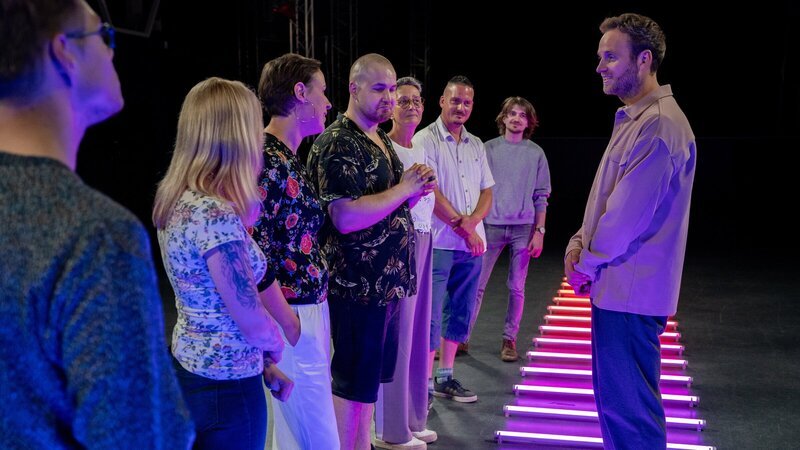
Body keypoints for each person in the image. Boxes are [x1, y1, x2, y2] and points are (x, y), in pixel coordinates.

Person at [0, 1, 194, 448]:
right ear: (65, 53)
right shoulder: (95, 236)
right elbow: (136, 437)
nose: (113, 50)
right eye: (103, 35)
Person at [564, 13, 696, 449]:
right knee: (621, 413)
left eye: (610, 57)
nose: (600, 66)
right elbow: (606, 200)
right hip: (620, 291)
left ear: (643, 60)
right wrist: (578, 242)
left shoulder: (659, 124)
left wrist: (583, 263)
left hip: (630, 295)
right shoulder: (637, 119)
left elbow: (623, 220)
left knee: (630, 418)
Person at [153, 77, 293, 450]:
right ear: (237, 137)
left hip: (190, 375)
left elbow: (212, 308)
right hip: (227, 394)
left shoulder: (178, 201)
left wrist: (264, 366)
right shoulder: (215, 214)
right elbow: (248, 316)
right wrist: (274, 342)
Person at [307, 53, 435, 450]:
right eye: (379, 88)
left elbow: (385, 206)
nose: (389, 97)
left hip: (385, 285)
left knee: (367, 390)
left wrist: (414, 192)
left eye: (392, 88)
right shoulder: (338, 141)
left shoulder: (377, 137)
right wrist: (404, 189)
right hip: (357, 285)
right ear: (353, 88)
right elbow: (344, 216)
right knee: (352, 387)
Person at [251, 53, 339, 450]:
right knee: (318, 437)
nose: (328, 103)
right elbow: (254, 252)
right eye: (322, 91)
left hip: (305, 311)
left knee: (295, 436)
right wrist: (289, 323)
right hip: (292, 313)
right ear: (299, 92)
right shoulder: (268, 161)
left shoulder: (287, 157)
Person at [413, 75, 494, 403]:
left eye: (467, 102)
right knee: (430, 314)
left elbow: (487, 189)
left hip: (472, 243)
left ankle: (445, 376)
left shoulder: (476, 144)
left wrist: (473, 224)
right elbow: (429, 188)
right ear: (442, 102)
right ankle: (423, 383)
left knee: (460, 311)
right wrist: (464, 226)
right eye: (455, 100)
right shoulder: (425, 139)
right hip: (439, 240)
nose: (461, 107)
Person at [374, 76, 437, 450]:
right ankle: (391, 429)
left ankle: (414, 419)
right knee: (398, 335)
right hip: (400, 243)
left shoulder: (421, 147)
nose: (411, 106)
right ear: (391, 107)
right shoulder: (385, 148)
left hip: (426, 237)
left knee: (417, 332)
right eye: (403, 100)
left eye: (416, 100)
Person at [470, 96, 551, 362]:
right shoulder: (488, 149)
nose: (517, 118)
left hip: (523, 228)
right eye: (512, 114)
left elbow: (541, 195)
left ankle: (509, 340)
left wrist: (539, 232)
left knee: (516, 286)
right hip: (490, 224)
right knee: (476, 284)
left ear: (529, 122)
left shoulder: (536, 153)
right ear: (503, 118)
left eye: (522, 115)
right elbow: (477, 188)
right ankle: (461, 338)